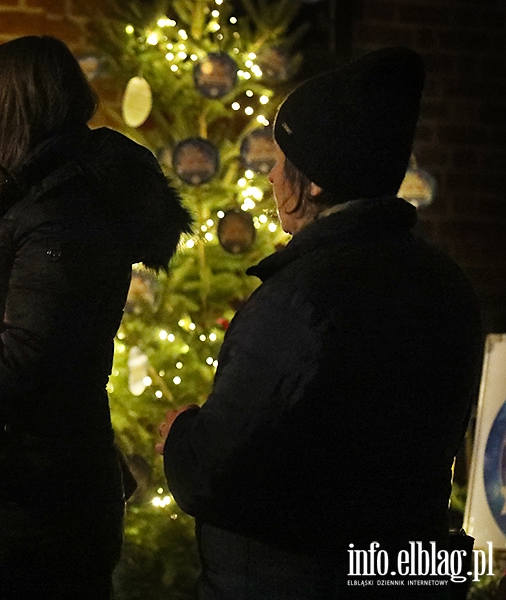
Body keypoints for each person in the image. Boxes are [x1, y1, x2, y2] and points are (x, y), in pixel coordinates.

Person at [157, 47, 483, 599]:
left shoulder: (302, 299)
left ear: (315, 184)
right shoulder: (447, 284)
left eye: (283, 159)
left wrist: (180, 436)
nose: (271, 174)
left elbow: (217, 469)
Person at [0, 35, 191, 599]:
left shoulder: (62, 214)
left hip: (24, 506)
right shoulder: (41, 201)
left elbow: (25, 361)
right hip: (8, 494)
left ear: (4, 113)